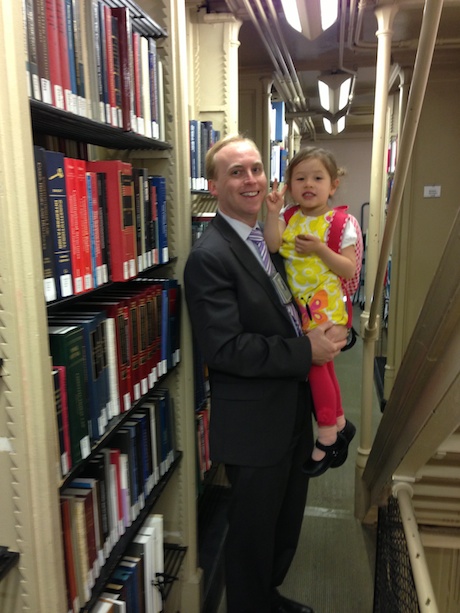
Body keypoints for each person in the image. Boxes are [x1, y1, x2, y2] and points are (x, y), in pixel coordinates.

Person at [184, 134, 347, 613]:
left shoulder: (265, 240)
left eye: (256, 169)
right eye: (236, 172)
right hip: (255, 425)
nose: (250, 180)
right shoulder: (210, 257)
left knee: (283, 524)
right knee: (253, 533)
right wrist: (305, 352)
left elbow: (286, 304)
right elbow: (226, 348)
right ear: (214, 185)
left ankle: (267, 599)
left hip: (291, 409)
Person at [264, 146, 357, 478]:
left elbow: (348, 268)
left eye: (318, 178)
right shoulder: (289, 217)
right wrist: (273, 213)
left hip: (328, 310)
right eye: (300, 178)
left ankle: (328, 438)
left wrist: (320, 249)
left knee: (317, 367)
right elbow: (273, 246)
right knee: (325, 368)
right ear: (289, 185)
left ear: (332, 185)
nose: (309, 184)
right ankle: (342, 424)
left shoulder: (341, 223)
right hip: (299, 310)